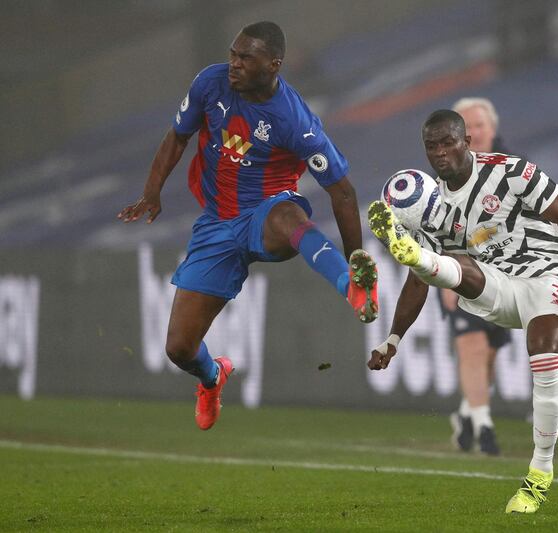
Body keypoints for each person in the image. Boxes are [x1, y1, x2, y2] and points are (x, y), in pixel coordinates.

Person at [118, 21, 378, 431]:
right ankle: (211, 377)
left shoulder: (295, 120)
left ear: (273, 64)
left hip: (266, 213)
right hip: (216, 223)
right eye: (233, 54)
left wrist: (357, 258)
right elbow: (177, 136)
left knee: (290, 215)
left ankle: (351, 282)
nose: (233, 64)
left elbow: (342, 193)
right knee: (179, 347)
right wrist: (152, 192)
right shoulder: (211, 83)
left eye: (245, 58)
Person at [367, 110, 558, 514]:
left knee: (543, 351)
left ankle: (539, 475)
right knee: (448, 267)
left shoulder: (511, 172)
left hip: (549, 274)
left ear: (466, 140)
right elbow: (418, 282)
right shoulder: (430, 202)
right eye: (431, 146)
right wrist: (392, 339)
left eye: (447, 142)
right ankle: (415, 250)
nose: (440, 153)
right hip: (497, 284)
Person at [444, 97, 513, 456]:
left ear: (493, 129)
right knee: (472, 345)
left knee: (489, 354)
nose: (473, 132)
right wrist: (445, 277)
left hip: (503, 276)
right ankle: (485, 428)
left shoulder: (514, 169)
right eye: (465, 127)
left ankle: (467, 413)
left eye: (479, 125)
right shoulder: (447, 171)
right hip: (462, 272)